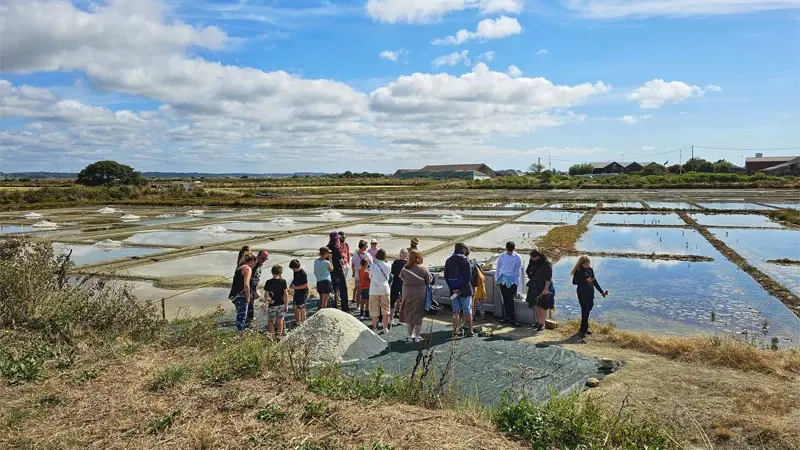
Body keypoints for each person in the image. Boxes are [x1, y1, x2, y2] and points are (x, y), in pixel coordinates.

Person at [571, 256, 608, 338]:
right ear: (582, 264)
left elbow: (594, 281)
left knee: (589, 307)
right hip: (582, 292)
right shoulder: (578, 271)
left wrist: (601, 291)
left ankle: (583, 327)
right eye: (586, 264)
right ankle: (584, 329)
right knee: (585, 309)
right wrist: (585, 281)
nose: (588, 265)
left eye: (589, 263)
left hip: (590, 292)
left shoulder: (590, 269)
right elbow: (574, 282)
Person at [444, 243, 474, 338]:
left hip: (453, 291)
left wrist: (453, 289)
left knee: (455, 311)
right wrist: (461, 289)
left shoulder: (449, 260)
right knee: (467, 311)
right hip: (465, 290)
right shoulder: (465, 260)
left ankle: (455, 330)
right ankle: (470, 330)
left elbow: (446, 276)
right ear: (463, 249)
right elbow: (468, 277)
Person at [495, 241, 524, 327]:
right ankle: (506, 317)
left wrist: (516, 282)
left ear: (513, 249)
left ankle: (512, 318)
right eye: (509, 250)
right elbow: (498, 268)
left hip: (512, 282)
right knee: (505, 299)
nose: (510, 252)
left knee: (510, 300)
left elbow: (517, 272)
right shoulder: (502, 256)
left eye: (511, 250)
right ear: (506, 248)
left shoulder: (517, 257)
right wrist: (497, 279)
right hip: (502, 280)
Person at [228, 254, 258, 332]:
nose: (255, 265)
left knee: (240, 315)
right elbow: (246, 284)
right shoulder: (248, 269)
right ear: (252, 261)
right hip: (241, 295)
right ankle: (240, 334)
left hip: (234, 294)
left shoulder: (239, 267)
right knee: (242, 316)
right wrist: (248, 297)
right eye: (255, 263)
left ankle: (240, 332)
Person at [526, 249, 554, 332]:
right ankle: (538, 321)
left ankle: (542, 323)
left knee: (543, 305)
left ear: (538, 256)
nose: (531, 259)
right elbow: (528, 270)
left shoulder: (546, 263)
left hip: (543, 286)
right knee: (537, 304)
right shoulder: (532, 260)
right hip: (534, 285)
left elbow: (548, 278)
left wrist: (545, 289)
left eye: (533, 257)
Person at [369, 249, 392, 334]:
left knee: (374, 309)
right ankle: (385, 327)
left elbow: (370, 276)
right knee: (385, 309)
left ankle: (375, 327)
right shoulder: (388, 265)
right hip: (385, 289)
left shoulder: (373, 266)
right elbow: (388, 276)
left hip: (374, 290)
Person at [263, 265, 289, 339]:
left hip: (272, 304)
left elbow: (266, 295)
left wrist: (265, 304)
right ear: (281, 273)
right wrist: (286, 305)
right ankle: (279, 336)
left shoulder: (268, 282)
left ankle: (272, 336)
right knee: (280, 319)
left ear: (272, 272)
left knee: (270, 320)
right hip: (281, 303)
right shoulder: (283, 281)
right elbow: (286, 294)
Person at [327, 232, 350, 312]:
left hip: (330, 270)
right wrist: (343, 260)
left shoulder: (328, 247)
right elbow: (341, 261)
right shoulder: (336, 248)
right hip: (338, 270)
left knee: (334, 289)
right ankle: (345, 307)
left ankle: (334, 305)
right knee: (343, 289)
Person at [247, 250, 269, 328]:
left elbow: (257, 278)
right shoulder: (252, 264)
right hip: (248, 289)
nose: (264, 260)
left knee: (254, 301)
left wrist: (256, 288)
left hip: (253, 288)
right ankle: (249, 323)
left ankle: (249, 320)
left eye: (266, 259)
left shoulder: (259, 265)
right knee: (249, 306)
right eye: (263, 258)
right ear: (258, 256)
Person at [351, 239, 373, 315]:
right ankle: (366, 309)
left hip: (358, 274)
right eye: (366, 246)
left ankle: (358, 306)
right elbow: (371, 264)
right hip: (366, 275)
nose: (367, 247)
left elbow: (353, 265)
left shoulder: (355, 255)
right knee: (366, 293)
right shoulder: (367, 255)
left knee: (358, 291)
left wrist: (354, 272)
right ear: (363, 246)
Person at [466, 247, 487, 318]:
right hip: (480, 298)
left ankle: (473, 317)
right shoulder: (481, 283)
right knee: (481, 308)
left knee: (473, 306)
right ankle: (483, 316)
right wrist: (484, 297)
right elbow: (483, 291)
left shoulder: (472, 282)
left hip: (474, 296)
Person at [390, 248, 408, 326]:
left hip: (395, 282)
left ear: (400, 254)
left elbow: (392, 272)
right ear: (406, 255)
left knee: (392, 301)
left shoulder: (395, 262)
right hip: (404, 284)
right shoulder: (408, 263)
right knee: (404, 302)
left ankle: (391, 319)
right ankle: (402, 320)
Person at [289, 259, 309, 325]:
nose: (293, 270)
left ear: (295, 267)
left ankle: (303, 322)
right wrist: (292, 284)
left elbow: (306, 285)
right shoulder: (295, 272)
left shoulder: (303, 273)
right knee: (295, 307)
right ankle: (298, 321)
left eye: (293, 269)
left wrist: (295, 287)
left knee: (301, 307)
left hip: (303, 292)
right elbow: (295, 278)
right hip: (297, 292)